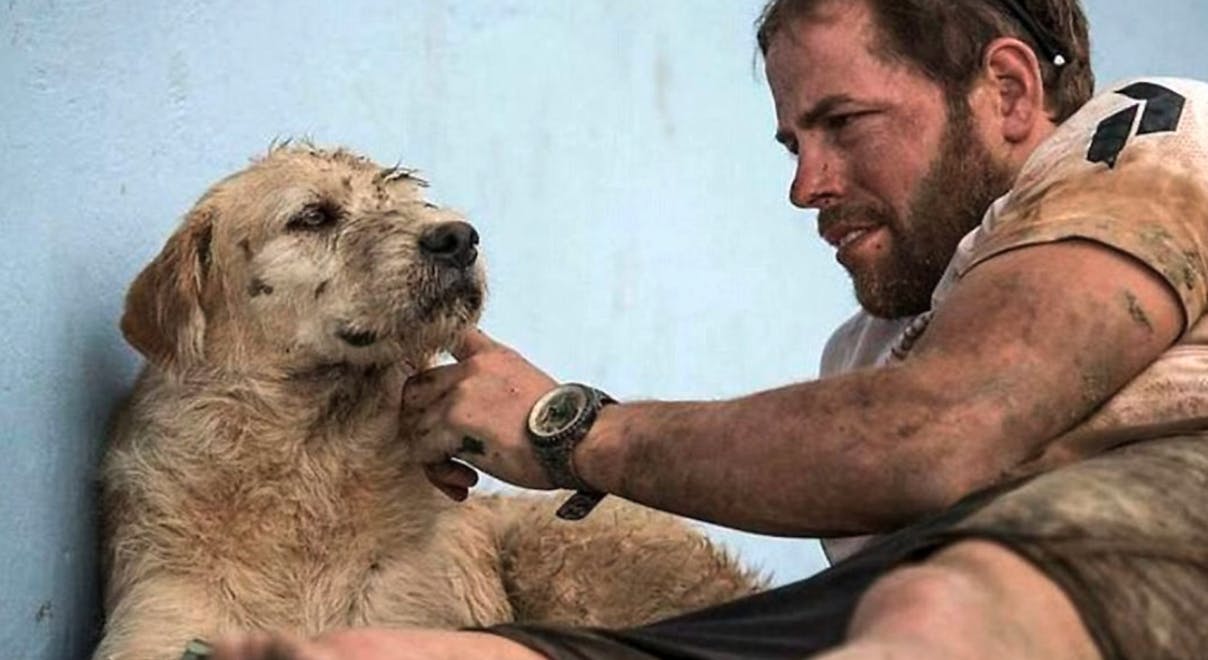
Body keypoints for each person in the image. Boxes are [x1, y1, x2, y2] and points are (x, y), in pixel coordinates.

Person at [214, 0, 1208, 657]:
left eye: (843, 124)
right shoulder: (863, 358)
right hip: (926, 591)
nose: (804, 185)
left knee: (943, 608)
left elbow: (933, 435)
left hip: (1120, 537)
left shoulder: (1148, 136)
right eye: (792, 141)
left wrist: (569, 429)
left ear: (1005, 89)